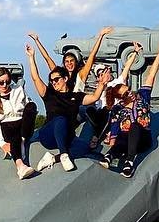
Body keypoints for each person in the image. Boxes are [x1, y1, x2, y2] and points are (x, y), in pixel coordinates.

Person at [25, 44, 105, 172]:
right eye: (52, 81)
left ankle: (52, 158)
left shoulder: (75, 96)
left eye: (57, 79)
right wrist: (31, 57)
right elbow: (35, 78)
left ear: (65, 78)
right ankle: (63, 154)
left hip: (66, 136)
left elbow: (94, 97)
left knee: (85, 148)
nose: (54, 82)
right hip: (48, 135)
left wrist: (102, 84)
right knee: (60, 119)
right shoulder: (49, 94)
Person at [104, 41, 159, 177]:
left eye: (129, 90)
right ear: (121, 98)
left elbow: (151, 75)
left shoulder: (142, 96)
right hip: (124, 142)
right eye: (126, 94)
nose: (131, 93)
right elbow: (114, 128)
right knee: (122, 134)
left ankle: (129, 163)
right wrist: (112, 142)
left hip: (143, 140)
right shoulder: (118, 109)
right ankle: (110, 156)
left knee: (135, 127)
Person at [0, 66, 38, 179]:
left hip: (23, 123)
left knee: (31, 106)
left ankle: (22, 139)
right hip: (7, 125)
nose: (5, 85)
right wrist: (2, 143)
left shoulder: (18, 90)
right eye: (1, 82)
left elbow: (28, 105)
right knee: (11, 130)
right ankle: (20, 166)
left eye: (7, 82)